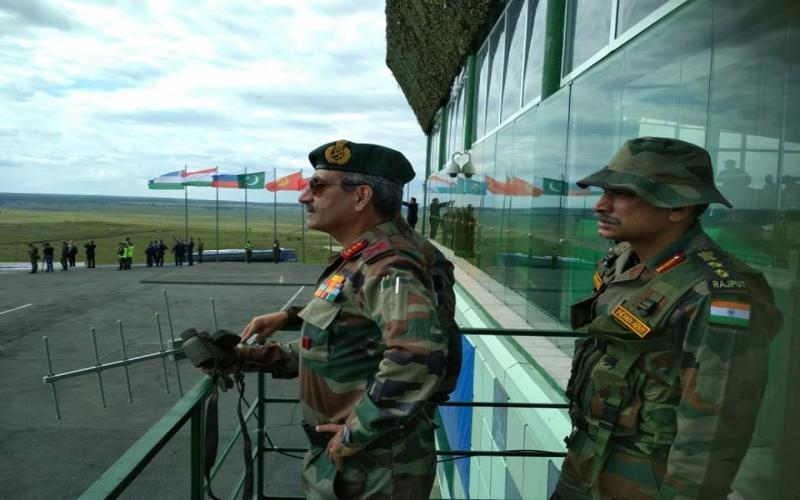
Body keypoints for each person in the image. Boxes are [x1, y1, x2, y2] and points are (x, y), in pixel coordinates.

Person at [217, 140, 460, 499]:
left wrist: (355, 433)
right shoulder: (370, 256)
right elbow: (344, 344)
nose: (304, 197)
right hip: (360, 462)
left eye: (317, 186)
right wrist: (245, 356)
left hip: (373, 469)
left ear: (361, 196)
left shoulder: (389, 265)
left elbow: (417, 355)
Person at [553, 137, 783, 500]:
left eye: (623, 194)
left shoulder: (716, 295)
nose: (601, 205)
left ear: (680, 207)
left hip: (642, 486)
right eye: (605, 191)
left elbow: (712, 435)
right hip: (584, 467)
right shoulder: (624, 258)